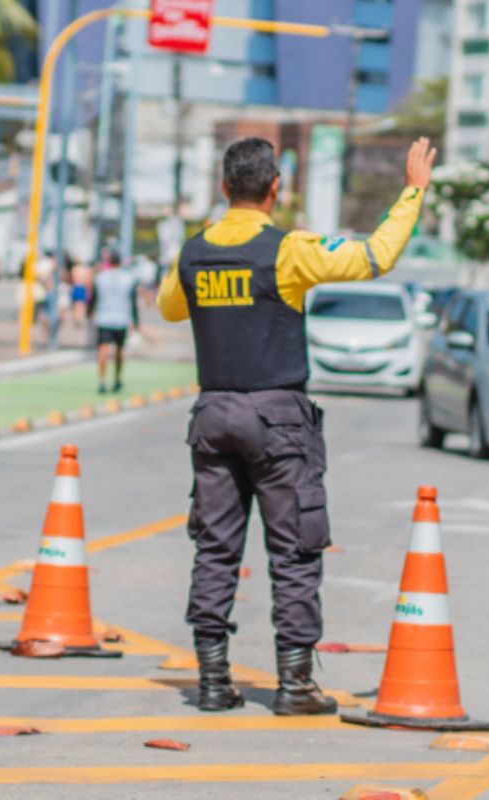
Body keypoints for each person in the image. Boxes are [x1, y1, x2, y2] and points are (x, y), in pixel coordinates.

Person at [157, 136, 436, 715]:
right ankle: (294, 684)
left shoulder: (192, 251)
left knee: (215, 548)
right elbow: (375, 256)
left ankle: (211, 680)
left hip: (213, 415)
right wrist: (413, 191)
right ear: (275, 187)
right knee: (293, 551)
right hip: (278, 418)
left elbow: (169, 307)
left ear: (224, 186)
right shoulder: (288, 251)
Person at [89, 251, 138, 394]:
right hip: (122, 317)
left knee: (103, 349)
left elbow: (94, 298)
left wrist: (90, 312)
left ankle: (102, 380)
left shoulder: (100, 277)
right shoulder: (129, 278)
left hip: (104, 316)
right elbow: (133, 301)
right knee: (120, 350)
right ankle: (117, 378)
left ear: (109, 262)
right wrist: (136, 321)